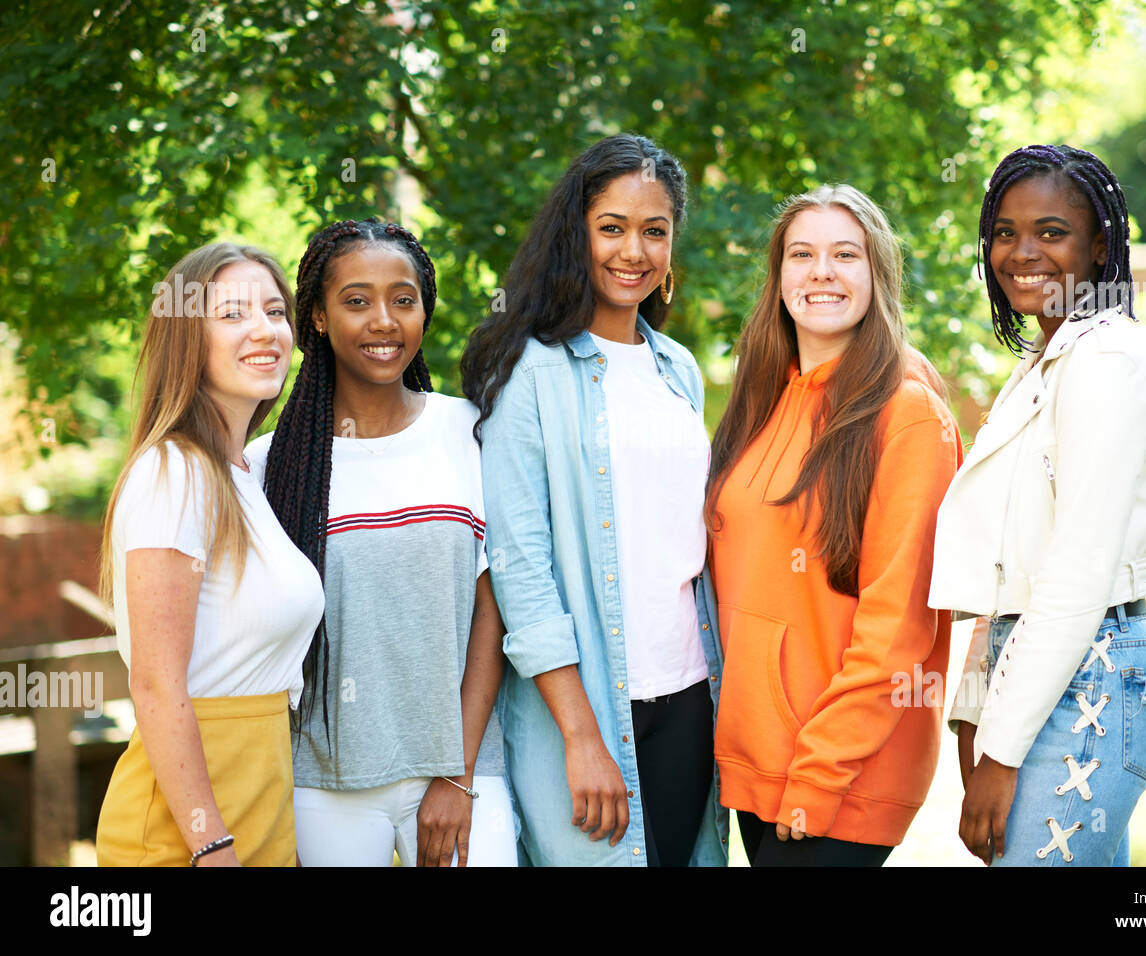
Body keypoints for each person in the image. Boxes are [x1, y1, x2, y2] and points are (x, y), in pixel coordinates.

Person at [461, 133, 728, 866]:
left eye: (655, 231)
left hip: (690, 694)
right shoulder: (529, 372)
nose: (632, 251)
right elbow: (520, 565)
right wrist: (583, 736)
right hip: (578, 710)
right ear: (576, 235)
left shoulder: (679, 370)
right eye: (611, 228)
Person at [931, 144, 1146, 866]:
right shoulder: (1047, 363)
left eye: (1051, 231)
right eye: (1005, 232)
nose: (1021, 251)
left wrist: (1000, 757)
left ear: (1100, 245)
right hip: (1038, 667)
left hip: (1093, 671)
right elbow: (1008, 562)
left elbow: (1075, 574)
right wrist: (973, 716)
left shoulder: (1105, 361)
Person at [246, 217, 516, 867]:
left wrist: (454, 775)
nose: (384, 320)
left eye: (403, 299)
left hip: (465, 772)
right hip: (324, 781)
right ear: (316, 317)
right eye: (357, 300)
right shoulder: (268, 465)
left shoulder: (471, 431)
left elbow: (494, 609)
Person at [706, 184, 960, 866]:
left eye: (846, 254)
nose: (821, 271)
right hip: (756, 762)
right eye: (802, 253)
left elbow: (899, 625)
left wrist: (818, 774)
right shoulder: (760, 399)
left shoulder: (907, 416)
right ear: (779, 275)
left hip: (841, 775)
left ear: (877, 275)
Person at [96, 243, 325, 867]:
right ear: (185, 340)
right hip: (187, 833)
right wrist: (211, 845)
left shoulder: (246, 475)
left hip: (262, 807)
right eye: (232, 315)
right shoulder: (175, 472)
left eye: (276, 312)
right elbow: (154, 682)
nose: (264, 330)